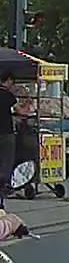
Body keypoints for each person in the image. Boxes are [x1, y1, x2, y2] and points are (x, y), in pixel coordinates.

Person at [0, 74, 17, 202]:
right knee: (7, 159)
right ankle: (4, 184)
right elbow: (18, 110)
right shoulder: (7, 95)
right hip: (6, 132)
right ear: (8, 81)